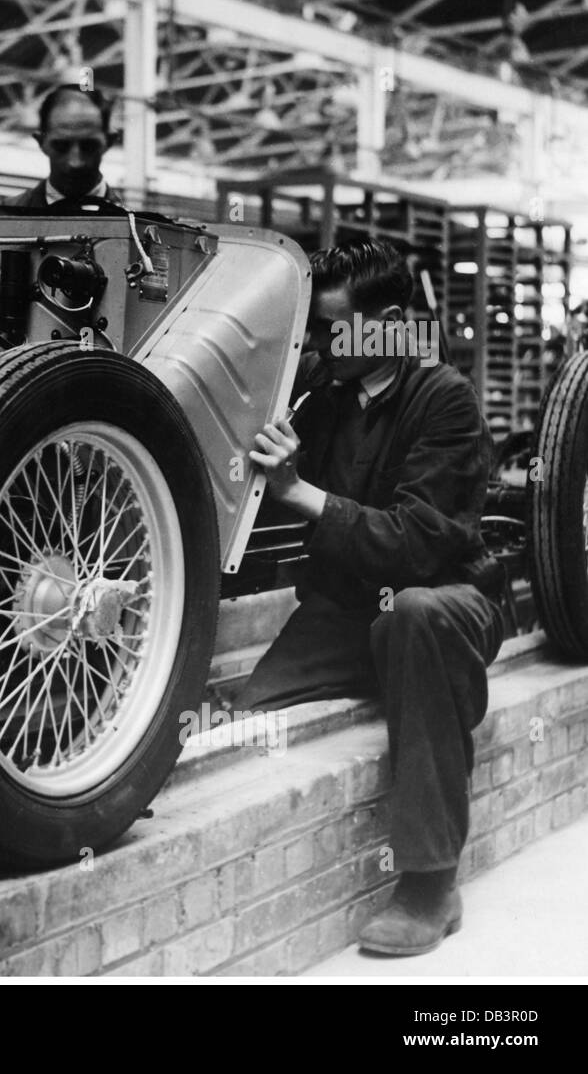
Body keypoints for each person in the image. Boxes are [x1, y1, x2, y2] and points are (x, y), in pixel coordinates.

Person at [242, 236, 503, 957]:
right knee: (243, 722)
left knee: (413, 619)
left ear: (386, 324)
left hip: (444, 598)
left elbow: (417, 545)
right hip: (352, 610)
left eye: (329, 329)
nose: (315, 345)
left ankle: (430, 884)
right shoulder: (326, 390)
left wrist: (299, 491)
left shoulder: (444, 398)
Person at [0, 84, 126, 209]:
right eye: (61, 146)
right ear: (41, 142)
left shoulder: (6, 213)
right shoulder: (2, 214)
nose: (75, 162)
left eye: (88, 146)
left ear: (109, 141)